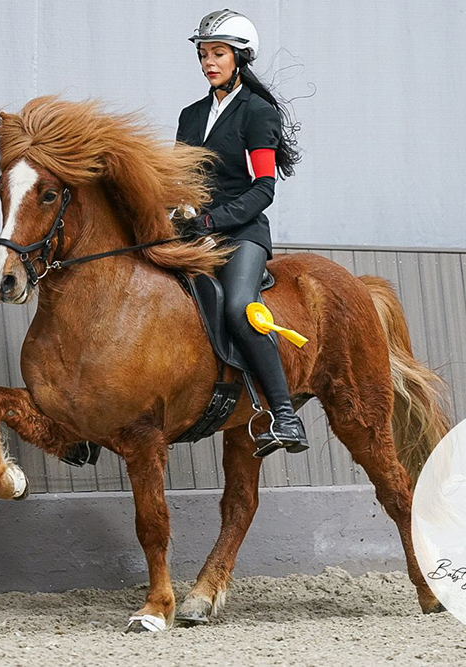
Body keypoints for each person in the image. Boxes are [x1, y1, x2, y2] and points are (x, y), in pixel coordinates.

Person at [175, 9, 307, 456]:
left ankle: (286, 415)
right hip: (192, 231)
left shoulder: (257, 113)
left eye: (218, 53)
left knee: (238, 308)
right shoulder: (190, 116)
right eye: (203, 54)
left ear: (239, 57)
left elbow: (264, 188)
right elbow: (179, 180)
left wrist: (213, 221)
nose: (209, 61)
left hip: (241, 233)